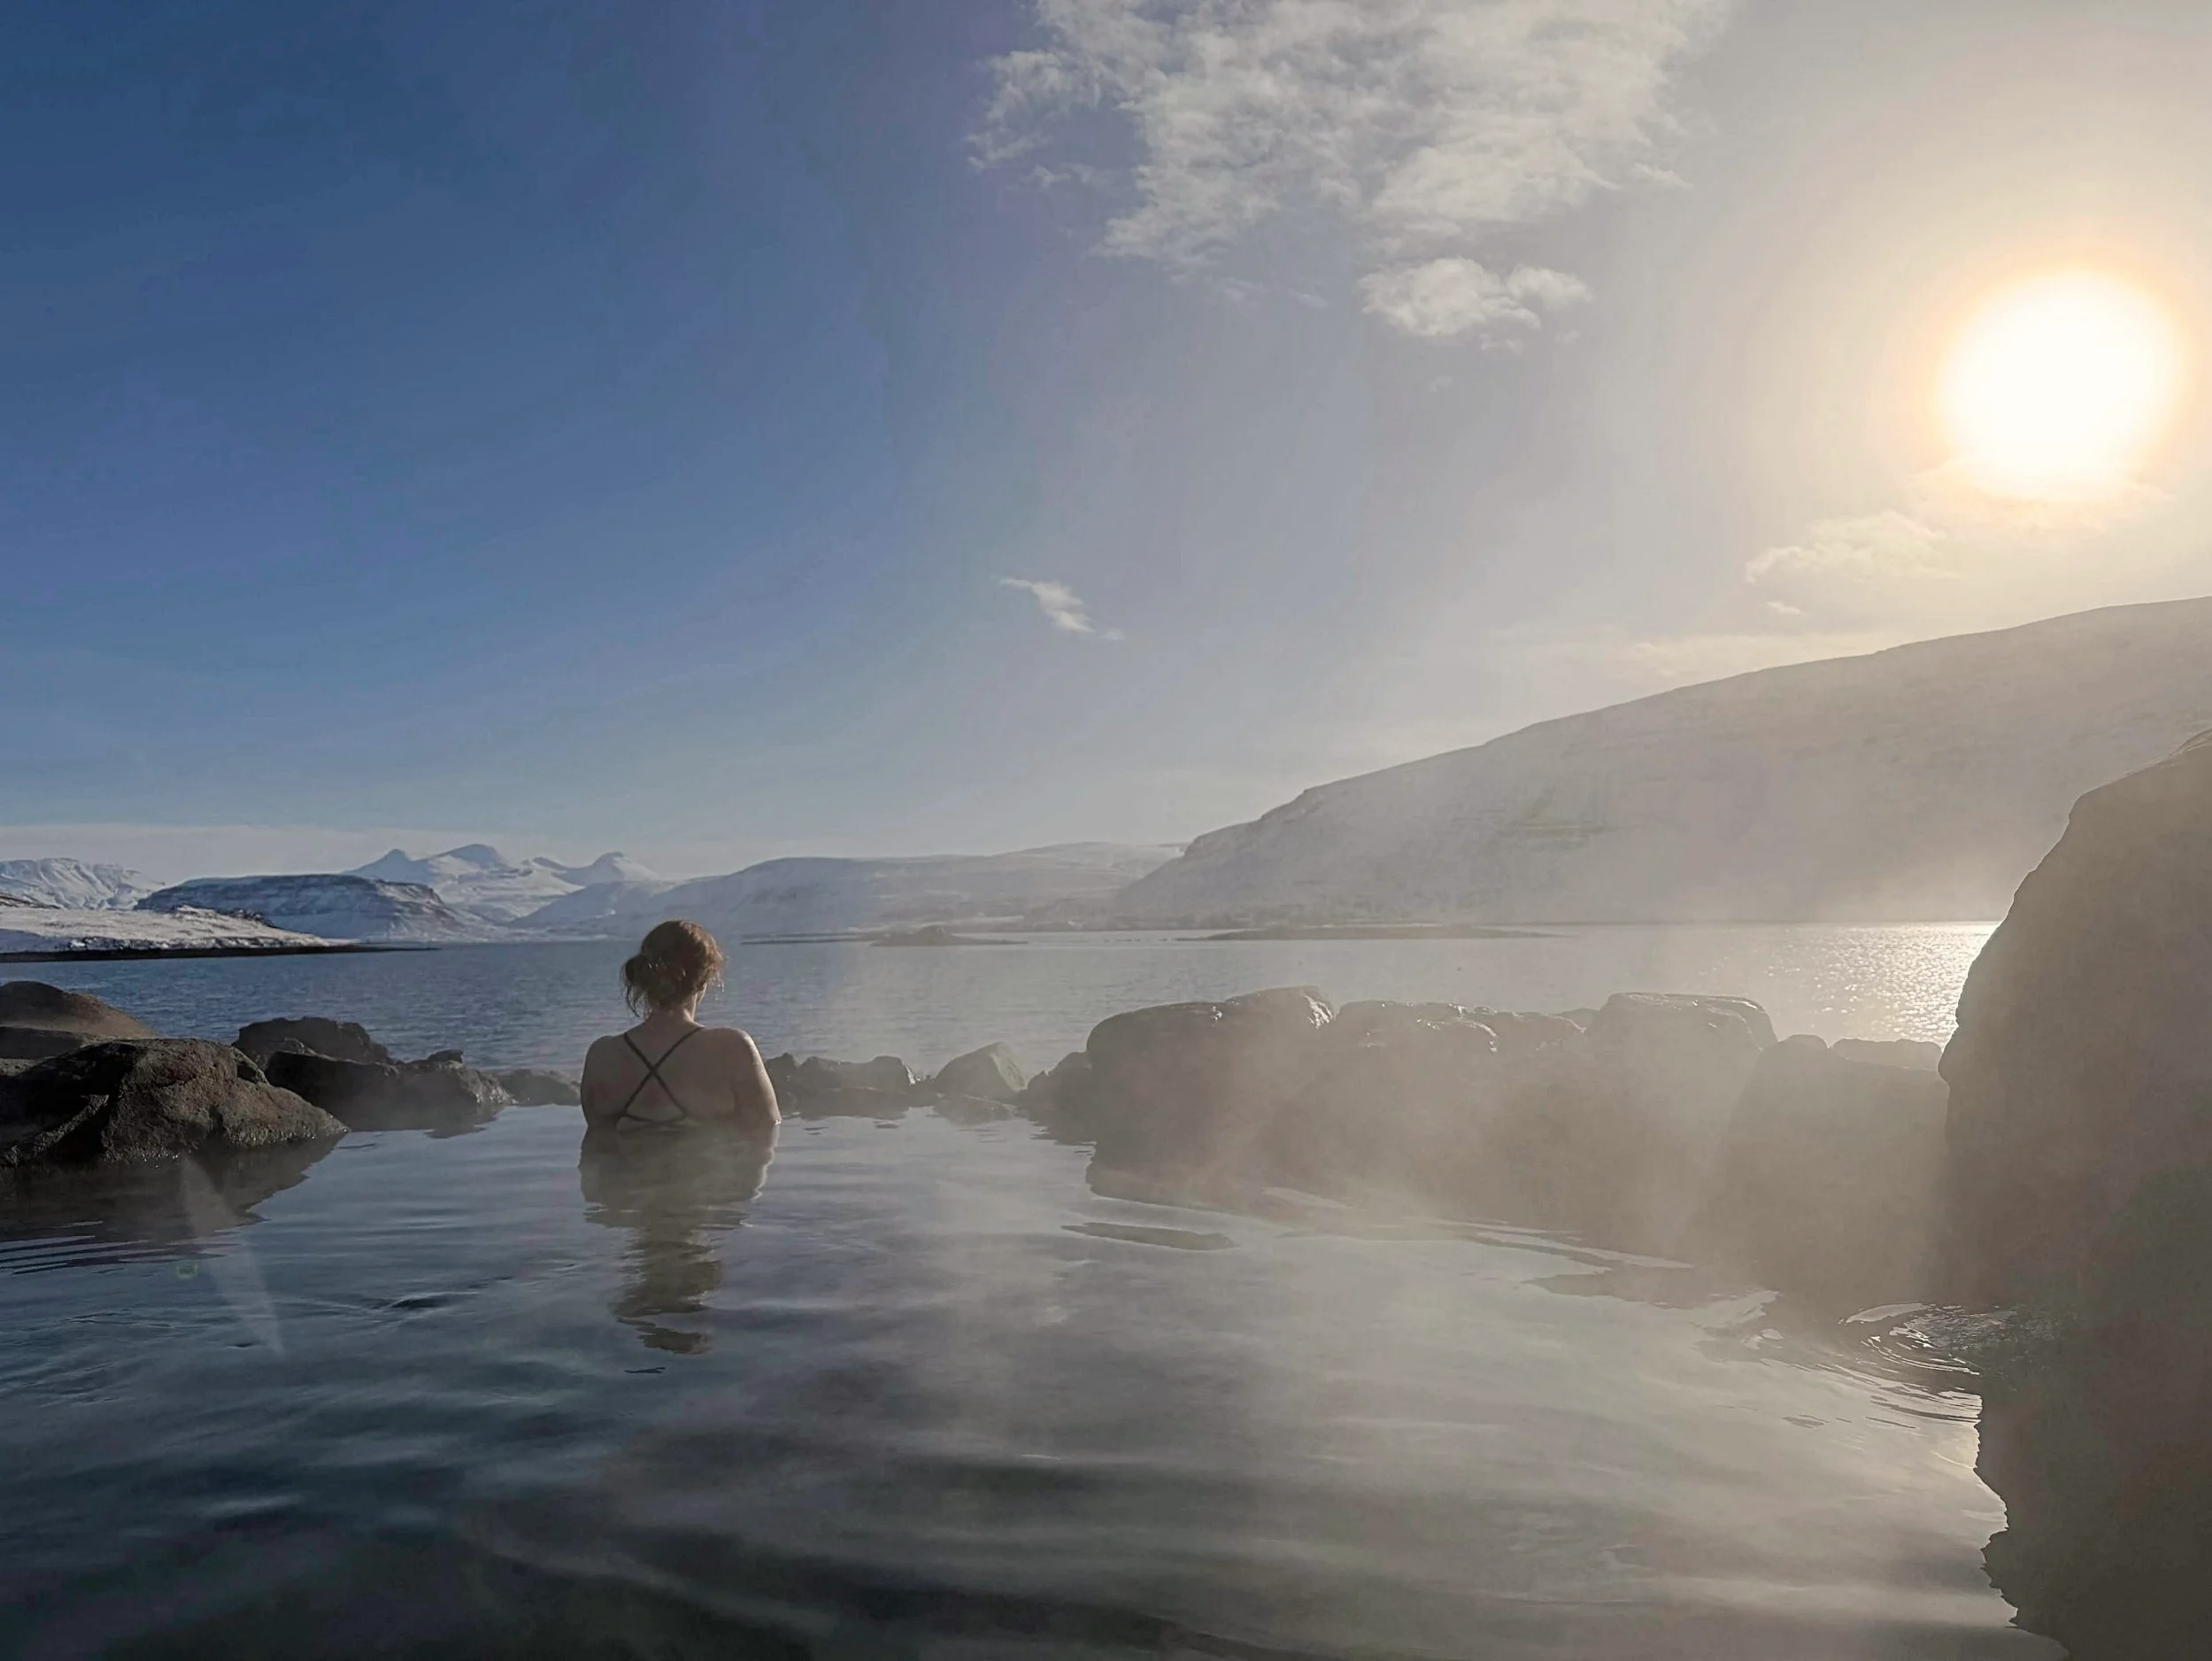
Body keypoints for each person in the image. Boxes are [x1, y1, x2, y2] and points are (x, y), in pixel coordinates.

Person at [581, 919, 780, 1135]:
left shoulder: (603, 1055)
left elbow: (596, 1148)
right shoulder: (731, 1047)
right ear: (705, 980)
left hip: (630, 1167)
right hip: (709, 1168)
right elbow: (766, 1132)